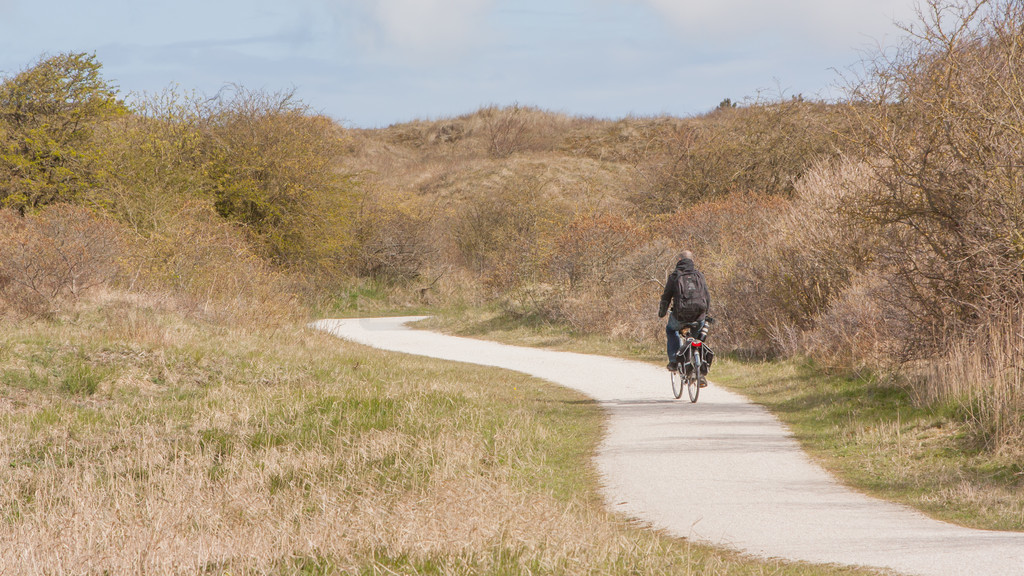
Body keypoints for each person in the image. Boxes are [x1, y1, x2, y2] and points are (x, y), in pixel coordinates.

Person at [658, 250, 712, 372]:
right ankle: (700, 372)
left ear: (679, 260)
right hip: (699, 316)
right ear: (692, 260)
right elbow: (707, 296)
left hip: (680, 316)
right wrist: (706, 313)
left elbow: (666, 297)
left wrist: (662, 313)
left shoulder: (674, 276)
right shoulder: (699, 276)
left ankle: (673, 361)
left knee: (671, 330)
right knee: (697, 338)